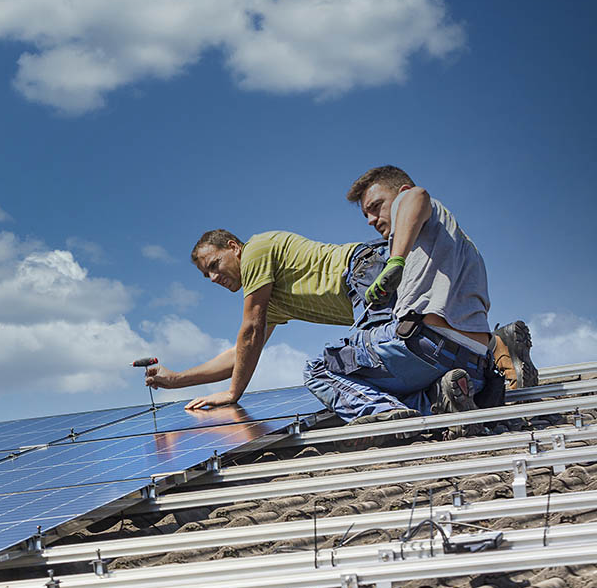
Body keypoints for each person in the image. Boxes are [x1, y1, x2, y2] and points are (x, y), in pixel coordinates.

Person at [302, 165, 534, 428]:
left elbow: (417, 196)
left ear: (400, 192)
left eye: (376, 206)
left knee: (320, 367)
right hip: (474, 368)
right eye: (366, 214)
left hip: (425, 347)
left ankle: (386, 416)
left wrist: (396, 261)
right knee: (402, 386)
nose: (370, 219)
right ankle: (440, 399)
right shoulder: (460, 245)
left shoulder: (415, 204)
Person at [145, 229, 389, 409]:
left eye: (214, 264)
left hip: (368, 271)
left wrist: (233, 393)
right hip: (367, 297)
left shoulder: (255, 251)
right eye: (205, 274)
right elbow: (240, 355)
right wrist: (175, 380)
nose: (212, 277)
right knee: (379, 365)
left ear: (234, 247)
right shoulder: (270, 301)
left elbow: (251, 330)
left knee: (339, 367)